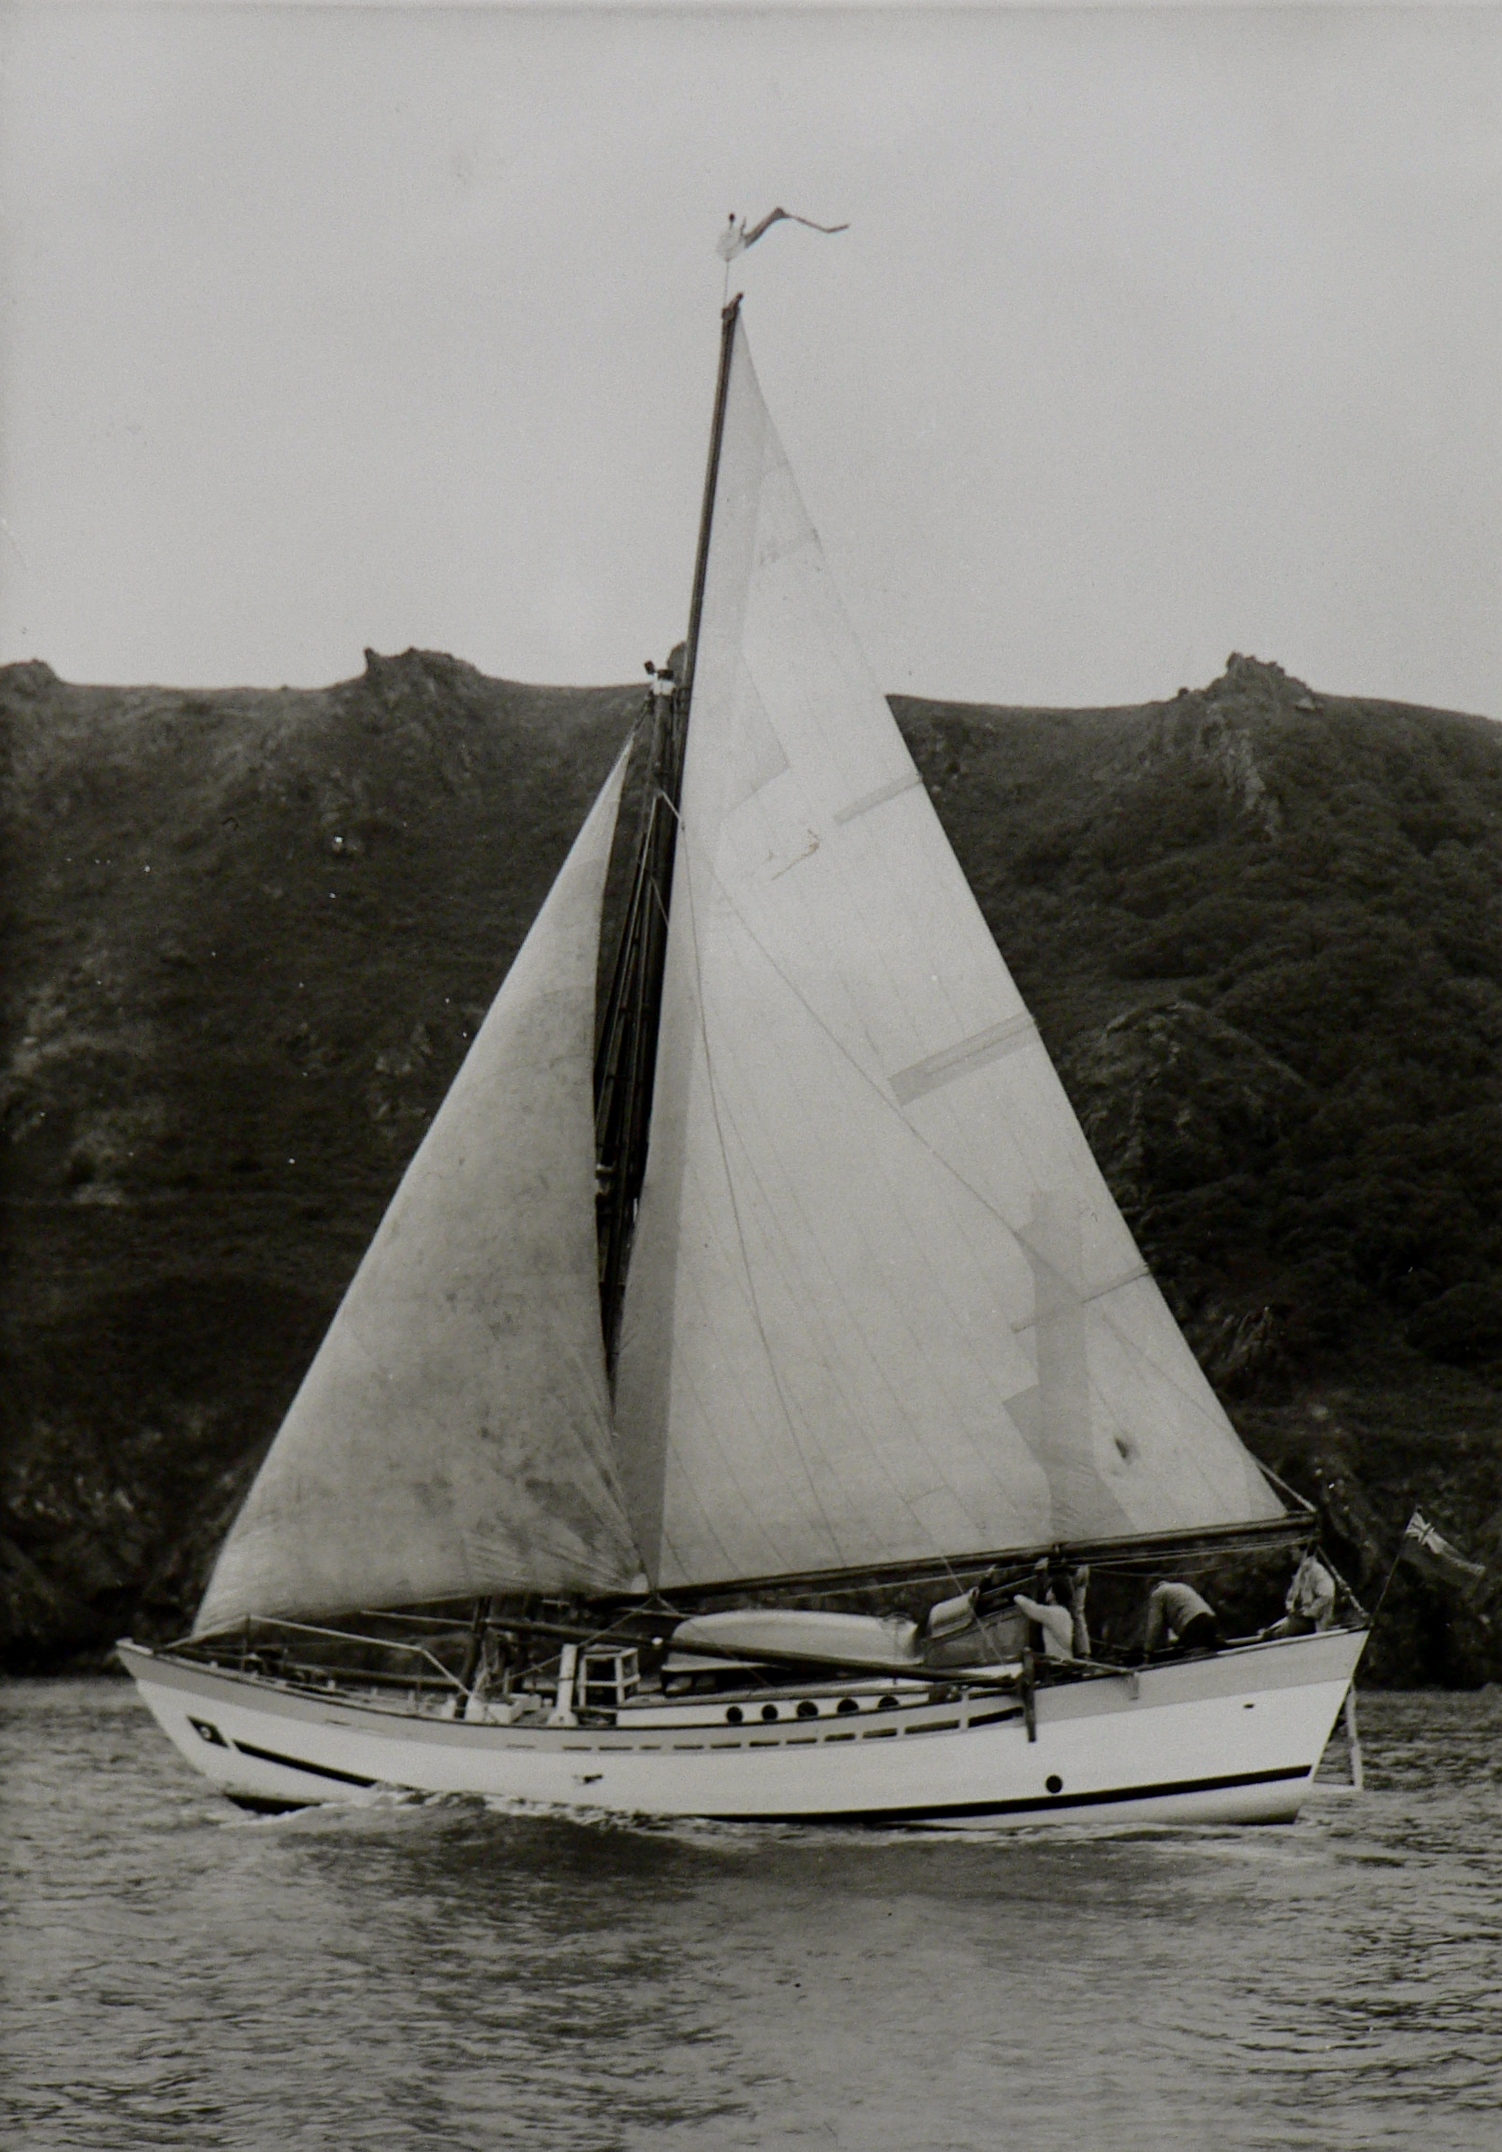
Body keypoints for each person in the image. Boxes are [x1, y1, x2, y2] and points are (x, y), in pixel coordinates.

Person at [1259, 1549, 1337, 1639]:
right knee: (1268, 1632)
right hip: (1297, 1617)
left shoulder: (1317, 1571)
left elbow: (1327, 1596)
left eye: (1294, 1550)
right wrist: (1291, 1607)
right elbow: (1291, 1596)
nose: (1292, 1552)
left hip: (1312, 1621)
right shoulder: (1300, 1572)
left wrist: (1309, 1612)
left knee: (1278, 1634)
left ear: (1303, 1552)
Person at [1142, 1578, 1220, 1656]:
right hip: (1210, 1618)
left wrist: (1148, 1650)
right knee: (1209, 1651)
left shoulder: (1157, 1593)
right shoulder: (1180, 1586)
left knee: (1194, 1657)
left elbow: (1155, 1625)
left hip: (1193, 1623)